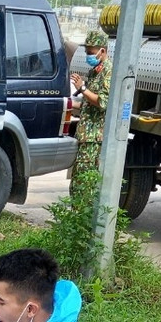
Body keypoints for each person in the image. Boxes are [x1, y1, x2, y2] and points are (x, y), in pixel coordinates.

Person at [69, 29, 111, 197]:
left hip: (95, 138)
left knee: (85, 183)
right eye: (86, 52)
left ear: (102, 51)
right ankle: (77, 217)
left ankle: (83, 220)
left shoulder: (108, 71)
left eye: (91, 52)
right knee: (78, 179)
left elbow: (103, 102)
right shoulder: (95, 71)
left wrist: (83, 88)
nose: (88, 56)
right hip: (86, 135)